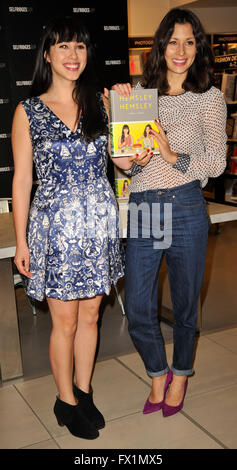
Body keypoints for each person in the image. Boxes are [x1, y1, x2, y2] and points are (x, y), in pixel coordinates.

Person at [11, 16, 149, 439]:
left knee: (92, 317)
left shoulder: (101, 104)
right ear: (48, 54)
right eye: (64, 47)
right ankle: (65, 401)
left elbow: (123, 161)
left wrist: (134, 130)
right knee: (65, 323)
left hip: (98, 222)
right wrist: (21, 242)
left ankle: (83, 391)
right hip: (54, 228)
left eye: (81, 47)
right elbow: (21, 179)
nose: (74, 55)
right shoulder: (28, 110)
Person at [112, 8, 227, 417]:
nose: (181, 50)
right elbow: (130, 164)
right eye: (173, 41)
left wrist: (171, 154)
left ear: (199, 48)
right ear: (160, 45)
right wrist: (132, 151)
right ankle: (156, 372)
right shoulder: (141, 94)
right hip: (145, 206)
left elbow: (215, 164)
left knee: (184, 303)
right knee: (139, 306)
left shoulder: (209, 99)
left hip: (186, 207)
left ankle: (180, 374)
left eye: (190, 41)